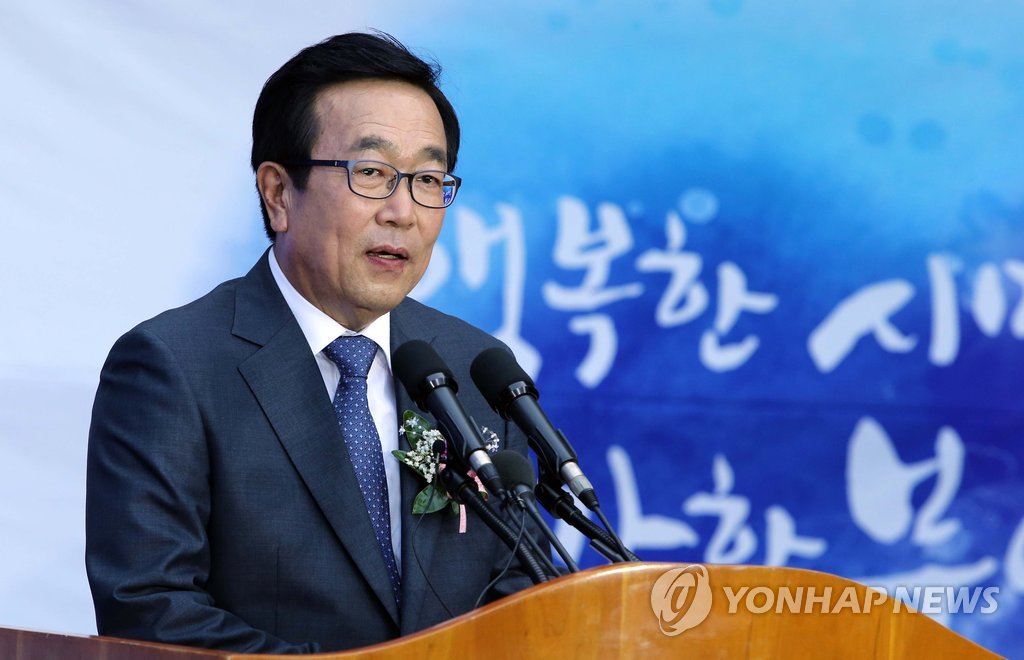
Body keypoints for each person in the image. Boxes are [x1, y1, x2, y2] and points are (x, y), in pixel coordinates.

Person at [85, 31, 538, 653]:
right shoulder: (174, 366)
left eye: (429, 179)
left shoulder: (473, 367)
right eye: (372, 173)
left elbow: (522, 592)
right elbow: (151, 611)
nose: (403, 212)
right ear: (278, 194)